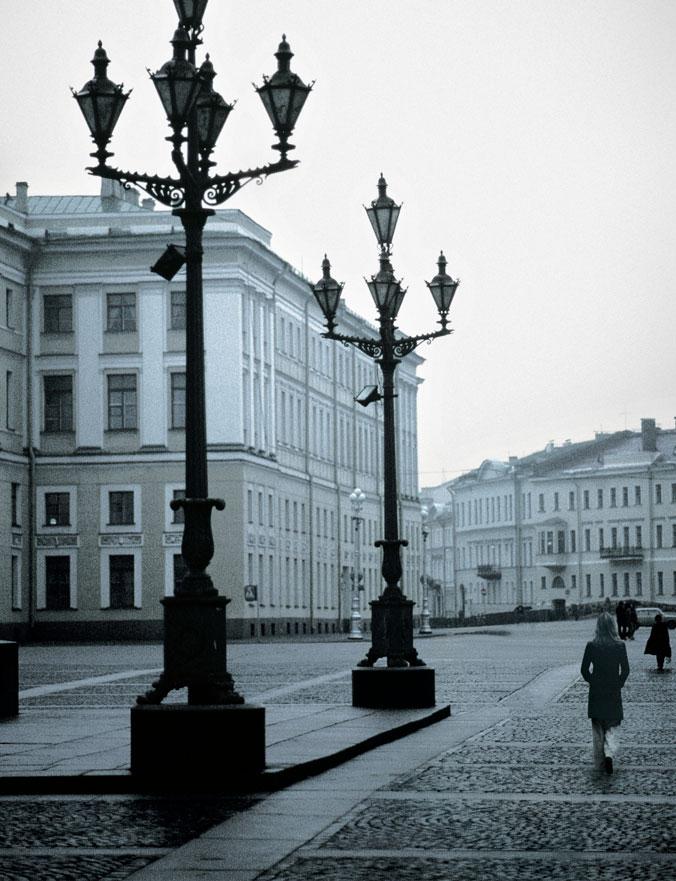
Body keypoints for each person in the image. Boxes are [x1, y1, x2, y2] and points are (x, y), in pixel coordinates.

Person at [580, 612, 630, 774]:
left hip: (597, 690)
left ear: (598, 627)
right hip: (613, 689)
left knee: (598, 726)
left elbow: (584, 669)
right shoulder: (619, 645)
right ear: (613, 626)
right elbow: (626, 670)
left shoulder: (592, 645)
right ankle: (609, 753)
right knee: (613, 724)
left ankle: (600, 759)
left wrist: (592, 681)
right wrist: (619, 683)